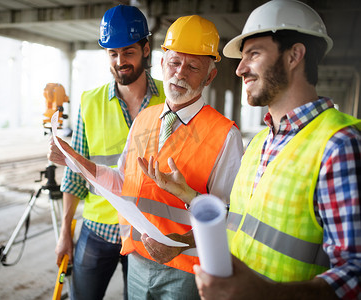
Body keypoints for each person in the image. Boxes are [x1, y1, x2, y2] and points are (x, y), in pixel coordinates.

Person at [157, 1, 360, 299]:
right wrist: (188, 195)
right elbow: (242, 221)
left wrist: (267, 294)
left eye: (253, 54)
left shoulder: (338, 145)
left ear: (294, 55)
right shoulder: (260, 143)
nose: (239, 69)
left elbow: (355, 272)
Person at [49, 15, 243, 300]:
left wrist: (180, 245)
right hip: (138, 260)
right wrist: (75, 160)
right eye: (174, 63)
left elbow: (230, 217)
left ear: (210, 76)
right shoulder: (146, 118)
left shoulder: (225, 135)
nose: (179, 74)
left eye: (193, 67)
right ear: (163, 64)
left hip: (187, 269)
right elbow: (121, 180)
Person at [55, 5, 165, 300]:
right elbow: (74, 175)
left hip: (146, 232)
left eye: (128, 52)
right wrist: (65, 231)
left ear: (145, 48)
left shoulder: (169, 100)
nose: (120, 62)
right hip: (97, 229)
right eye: (112, 54)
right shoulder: (90, 102)